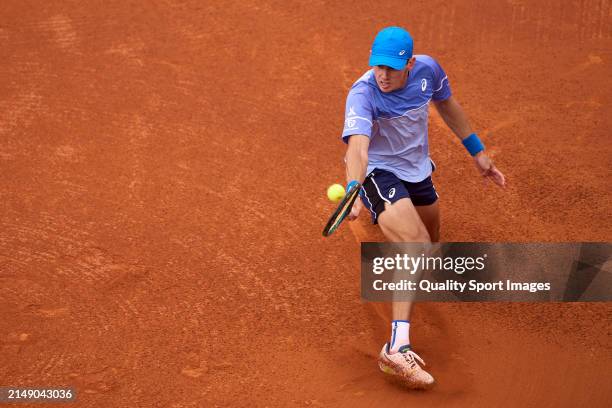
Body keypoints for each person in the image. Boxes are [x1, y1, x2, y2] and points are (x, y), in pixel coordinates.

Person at [341, 26, 506, 389]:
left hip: (416, 168)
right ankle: (396, 348)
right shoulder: (362, 94)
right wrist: (354, 187)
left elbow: (447, 104)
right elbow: (358, 148)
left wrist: (477, 152)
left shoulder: (428, 71)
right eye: (377, 67)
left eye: (392, 68)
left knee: (428, 248)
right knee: (415, 246)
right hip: (378, 171)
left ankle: (399, 243)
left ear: (410, 64)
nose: (382, 75)